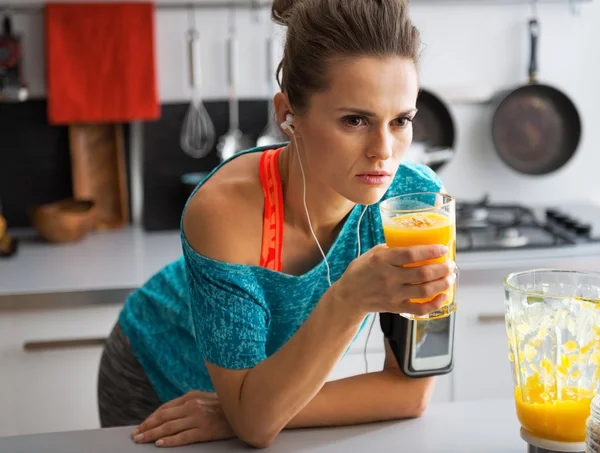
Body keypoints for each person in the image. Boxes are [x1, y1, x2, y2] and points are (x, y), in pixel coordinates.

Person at [97, 0, 457, 448]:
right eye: (355, 120)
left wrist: (244, 410)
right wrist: (348, 300)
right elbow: (256, 426)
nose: (383, 150)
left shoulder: (416, 205)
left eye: (401, 120)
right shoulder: (224, 209)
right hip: (156, 372)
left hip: (251, 402)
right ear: (289, 114)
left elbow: (413, 390)